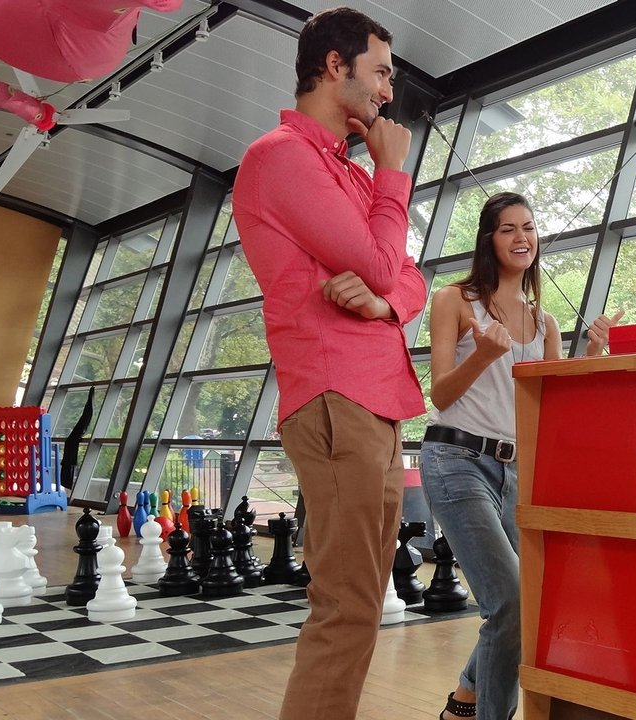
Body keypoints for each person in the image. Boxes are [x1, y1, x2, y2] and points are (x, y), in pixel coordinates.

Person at [232, 7, 424, 719]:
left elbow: (408, 278)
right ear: (335, 65)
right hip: (337, 396)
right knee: (347, 607)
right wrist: (392, 172)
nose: (388, 92)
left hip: (374, 401)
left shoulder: (344, 173)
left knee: (360, 605)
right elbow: (380, 260)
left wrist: (381, 303)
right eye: (381, 73)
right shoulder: (281, 157)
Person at [420, 191, 620, 720]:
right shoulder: (454, 300)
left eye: (528, 227)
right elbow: (440, 392)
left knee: (529, 597)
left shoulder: (544, 321)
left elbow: (555, 407)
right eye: (508, 228)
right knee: (510, 598)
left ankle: (465, 699)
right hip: (455, 459)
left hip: (515, 468)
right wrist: (484, 354)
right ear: (488, 239)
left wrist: (592, 353)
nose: (521, 237)